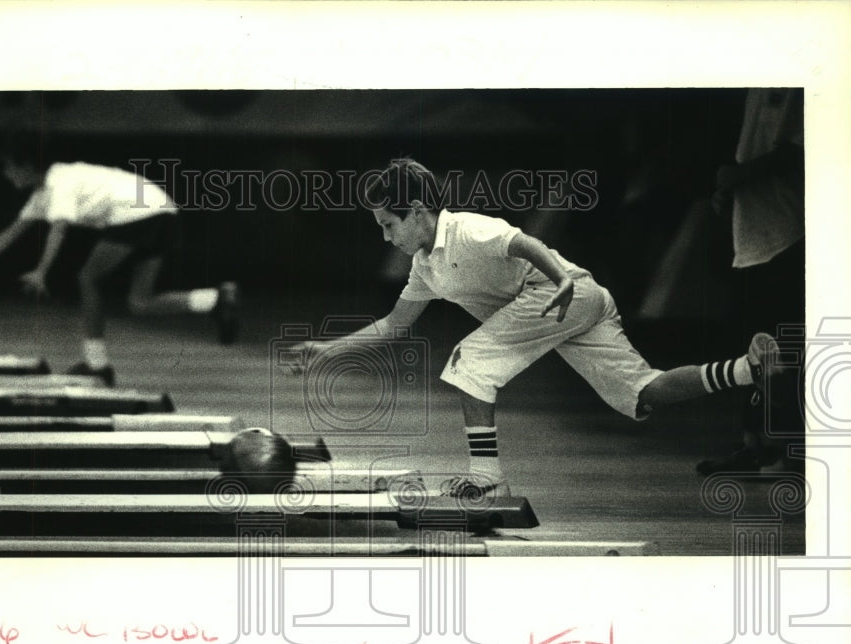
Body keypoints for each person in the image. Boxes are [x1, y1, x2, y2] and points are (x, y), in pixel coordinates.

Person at [288, 158, 783, 500]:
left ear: (417, 212)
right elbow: (394, 325)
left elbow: (523, 242)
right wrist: (326, 350)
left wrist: (562, 277)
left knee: (469, 363)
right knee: (641, 393)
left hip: (558, 293)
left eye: (387, 224)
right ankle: (746, 369)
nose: (385, 235)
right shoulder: (426, 266)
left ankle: (486, 477)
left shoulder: (467, 229)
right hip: (575, 303)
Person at [0, 137, 240, 385]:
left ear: (27, 165)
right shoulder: (44, 194)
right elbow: (9, 234)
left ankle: (97, 365)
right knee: (140, 303)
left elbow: (59, 227)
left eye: (8, 167)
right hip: (162, 211)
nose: (7, 174)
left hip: (140, 212)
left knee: (88, 278)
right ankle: (215, 299)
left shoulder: (59, 183)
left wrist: (42, 271)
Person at [700, 88, 805, 475]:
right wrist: (729, 185)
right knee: (755, 346)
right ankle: (755, 442)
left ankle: (786, 449)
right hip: (754, 232)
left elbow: (803, 146)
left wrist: (740, 174)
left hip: (791, 231)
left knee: (784, 348)